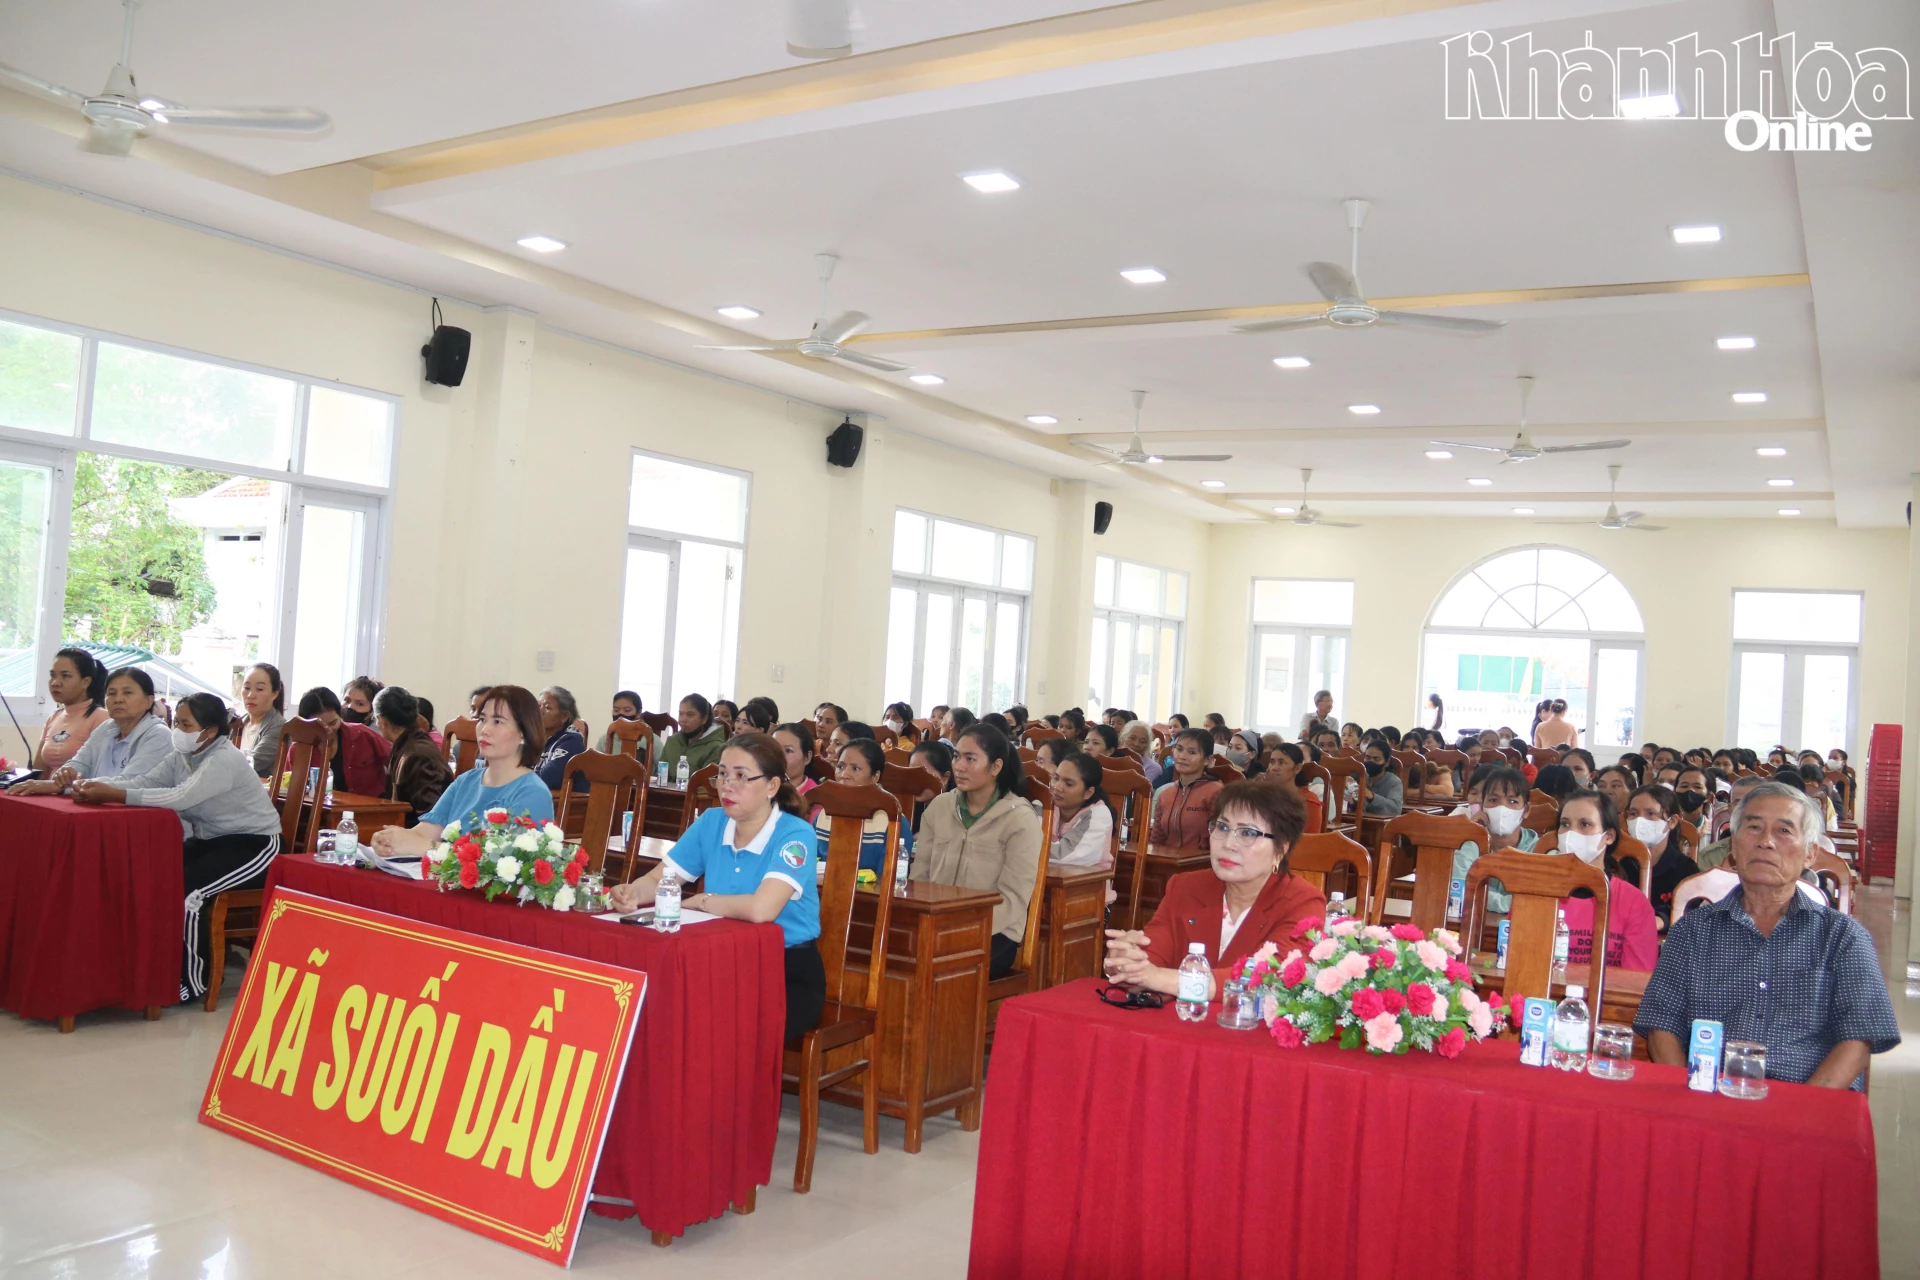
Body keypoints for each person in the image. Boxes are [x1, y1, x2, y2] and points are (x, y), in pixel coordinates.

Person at [1635, 781, 1899, 1090]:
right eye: (1754, 828)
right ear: (1733, 848)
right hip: (1708, 1098)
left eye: (1784, 831)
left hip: (1807, 1106)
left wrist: (1798, 1112)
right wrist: (1690, 1096)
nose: (1766, 842)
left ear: (1811, 854)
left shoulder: (1843, 938)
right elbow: (1660, 1026)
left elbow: (1859, 1040)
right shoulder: (1692, 932)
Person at [610, 733, 825, 1041]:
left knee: (716, 1027)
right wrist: (632, 891)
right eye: (723, 774)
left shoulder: (795, 834)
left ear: (772, 786)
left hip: (784, 970)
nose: (727, 785)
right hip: (719, 961)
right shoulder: (712, 821)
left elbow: (762, 909)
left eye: (741, 776)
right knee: (656, 1010)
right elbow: (660, 879)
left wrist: (702, 901)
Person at [72, 692, 281, 1004]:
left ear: (210, 731)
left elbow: (180, 797)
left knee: (189, 893)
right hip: (213, 841)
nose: (178, 730)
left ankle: (193, 983)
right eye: (176, 722)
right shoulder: (184, 755)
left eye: (186, 724)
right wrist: (91, 785)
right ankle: (156, 969)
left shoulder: (223, 759)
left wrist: (114, 794)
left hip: (256, 846)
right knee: (155, 877)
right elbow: (145, 781)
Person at [1105, 781, 1327, 998]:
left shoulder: (1302, 902)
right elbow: (1153, 957)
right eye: (1222, 827)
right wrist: (1127, 961)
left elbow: (1270, 978)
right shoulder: (1186, 887)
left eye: (1248, 833)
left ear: (1281, 848)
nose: (1228, 843)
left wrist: (1157, 977)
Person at [911, 722, 1042, 979]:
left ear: (995, 767)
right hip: (936, 922)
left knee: (936, 965)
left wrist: (963, 928)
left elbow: (1014, 898)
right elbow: (920, 876)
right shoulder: (940, 806)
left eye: (971, 759)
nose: (959, 766)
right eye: (957, 757)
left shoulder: (1019, 819)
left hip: (995, 932)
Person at [372, 686, 555, 860]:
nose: (484, 730)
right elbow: (424, 832)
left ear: (524, 733)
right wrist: (389, 839)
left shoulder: (532, 793)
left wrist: (429, 848)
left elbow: (498, 864)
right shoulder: (467, 781)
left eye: (497, 722)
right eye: (482, 719)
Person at [12, 666, 170, 794]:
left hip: (142, 818)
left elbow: (131, 783)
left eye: (127, 693)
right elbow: (80, 762)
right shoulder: (107, 727)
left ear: (148, 701)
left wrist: (64, 787)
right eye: (111, 693)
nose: (118, 699)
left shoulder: (158, 734)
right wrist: (65, 774)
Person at [1554, 790, 1659, 971]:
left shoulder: (1634, 902)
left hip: (1608, 998)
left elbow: (1635, 981)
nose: (1571, 833)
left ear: (1608, 836)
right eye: (1565, 824)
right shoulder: (1535, 892)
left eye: (1585, 824)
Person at [1451, 765, 1535, 914]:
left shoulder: (1540, 848)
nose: (1502, 808)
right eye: (1493, 800)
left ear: (1526, 810)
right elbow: (1460, 886)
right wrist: (1472, 833)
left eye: (1513, 801)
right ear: (1482, 806)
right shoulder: (1471, 842)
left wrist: (1487, 899)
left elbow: (1537, 899)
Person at [814, 738, 905, 873]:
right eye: (840, 767)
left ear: (875, 776)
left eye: (855, 768)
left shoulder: (892, 820)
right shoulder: (824, 814)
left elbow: (887, 880)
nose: (844, 775)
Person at [374, 686, 450, 825]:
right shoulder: (405, 745)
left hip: (422, 837)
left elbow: (430, 815)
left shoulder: (418, 755)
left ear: (382, 721)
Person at [28, 648, 109, 778]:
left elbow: (100, 773)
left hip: (79, 794)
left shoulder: (101, 718)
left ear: (85, 682)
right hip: (47, 795)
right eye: (53, 675)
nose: (55, 683)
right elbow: (39, 772)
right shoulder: (54, 717)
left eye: (65, 676)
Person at [1626, 784, 1698, 928]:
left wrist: (1660, 919)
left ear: (1672, 821)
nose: (1640, 821)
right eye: (1634, 814)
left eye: (1650, 814)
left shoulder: (1685, 868)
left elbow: (1690, 909)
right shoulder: (1619, 864)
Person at [298, 687, 391, 795]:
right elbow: (288, 788)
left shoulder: (363, 735)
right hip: (322, 810)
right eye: (320, 727)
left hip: (370, 808)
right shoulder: (299, 748)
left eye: (333, 723)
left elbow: (396, 760)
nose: (328, 730)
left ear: (340, 715)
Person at [1150, 728, 1223, 850]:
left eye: (1192, 752)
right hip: (1167, 863)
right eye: (1179, 749)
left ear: (1208, 760)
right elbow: (1157, 840)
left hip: (1200, 864)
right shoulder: (1165, 794)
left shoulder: (1216, 793)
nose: (1182, 756)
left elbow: (1220, 839)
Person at [1049, 752, 1115, 869]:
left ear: (1088, 792)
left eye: (1068, 784)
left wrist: (1022, 848)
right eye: (1055, 778)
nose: (1057, 787)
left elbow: (1064, 856)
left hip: (1086, 885)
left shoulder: (1099, 815)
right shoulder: (1043, 804)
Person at [234, 663, 286, 778]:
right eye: (247, 688)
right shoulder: (237, 723)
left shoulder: (279, 726)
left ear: (274, 694)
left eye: (259, 689)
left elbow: (252, 763)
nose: (251, 695)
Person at [1260, 741, 1323, 833]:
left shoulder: (1308, 802)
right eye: (1272, 762)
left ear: (1297, 768)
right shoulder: (1263, 795)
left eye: (1281, 763)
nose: (1274, 767)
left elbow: (1310, 841)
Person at [658, 694, 727, 777]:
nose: (683, 720)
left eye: (689, 715)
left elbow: (704, 785)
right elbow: (659, 776)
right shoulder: (672, 741)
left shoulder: (716, 747)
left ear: (704, 719)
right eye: (680, 714)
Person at [533, 686, 587, 789]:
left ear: (564, 716)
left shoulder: (571, 742)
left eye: (547, 708)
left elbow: (548, 779)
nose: (540, 711)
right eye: (538, 705)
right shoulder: (533, 739)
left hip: (569, 803)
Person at [907, 740, 953, 834]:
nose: (914, 781)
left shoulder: (956, 810)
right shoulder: (906, 806)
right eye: (911, 773)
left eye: (922, 775)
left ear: (945, 778)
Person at [596, 690, 654, 757]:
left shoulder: (651, 740)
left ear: (638, 713)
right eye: (616, 710)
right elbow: (596, 765)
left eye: (627, 710)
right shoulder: (605, 740)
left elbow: (663, 765)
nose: (621, 714)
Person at [773, 722, 821, 797]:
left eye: (788, 750)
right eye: (774, 749)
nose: (778, 756)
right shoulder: (761, 788)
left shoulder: (816, 796)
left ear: (807, 757)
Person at [1362, 738, 1403, 817]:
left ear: (1387, 762)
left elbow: (1396, 809)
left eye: (1376, 759)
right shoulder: (1359, 776)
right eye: (1367, 757)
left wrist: (1372, 797)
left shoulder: (1394, 782)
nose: (1371, 762)